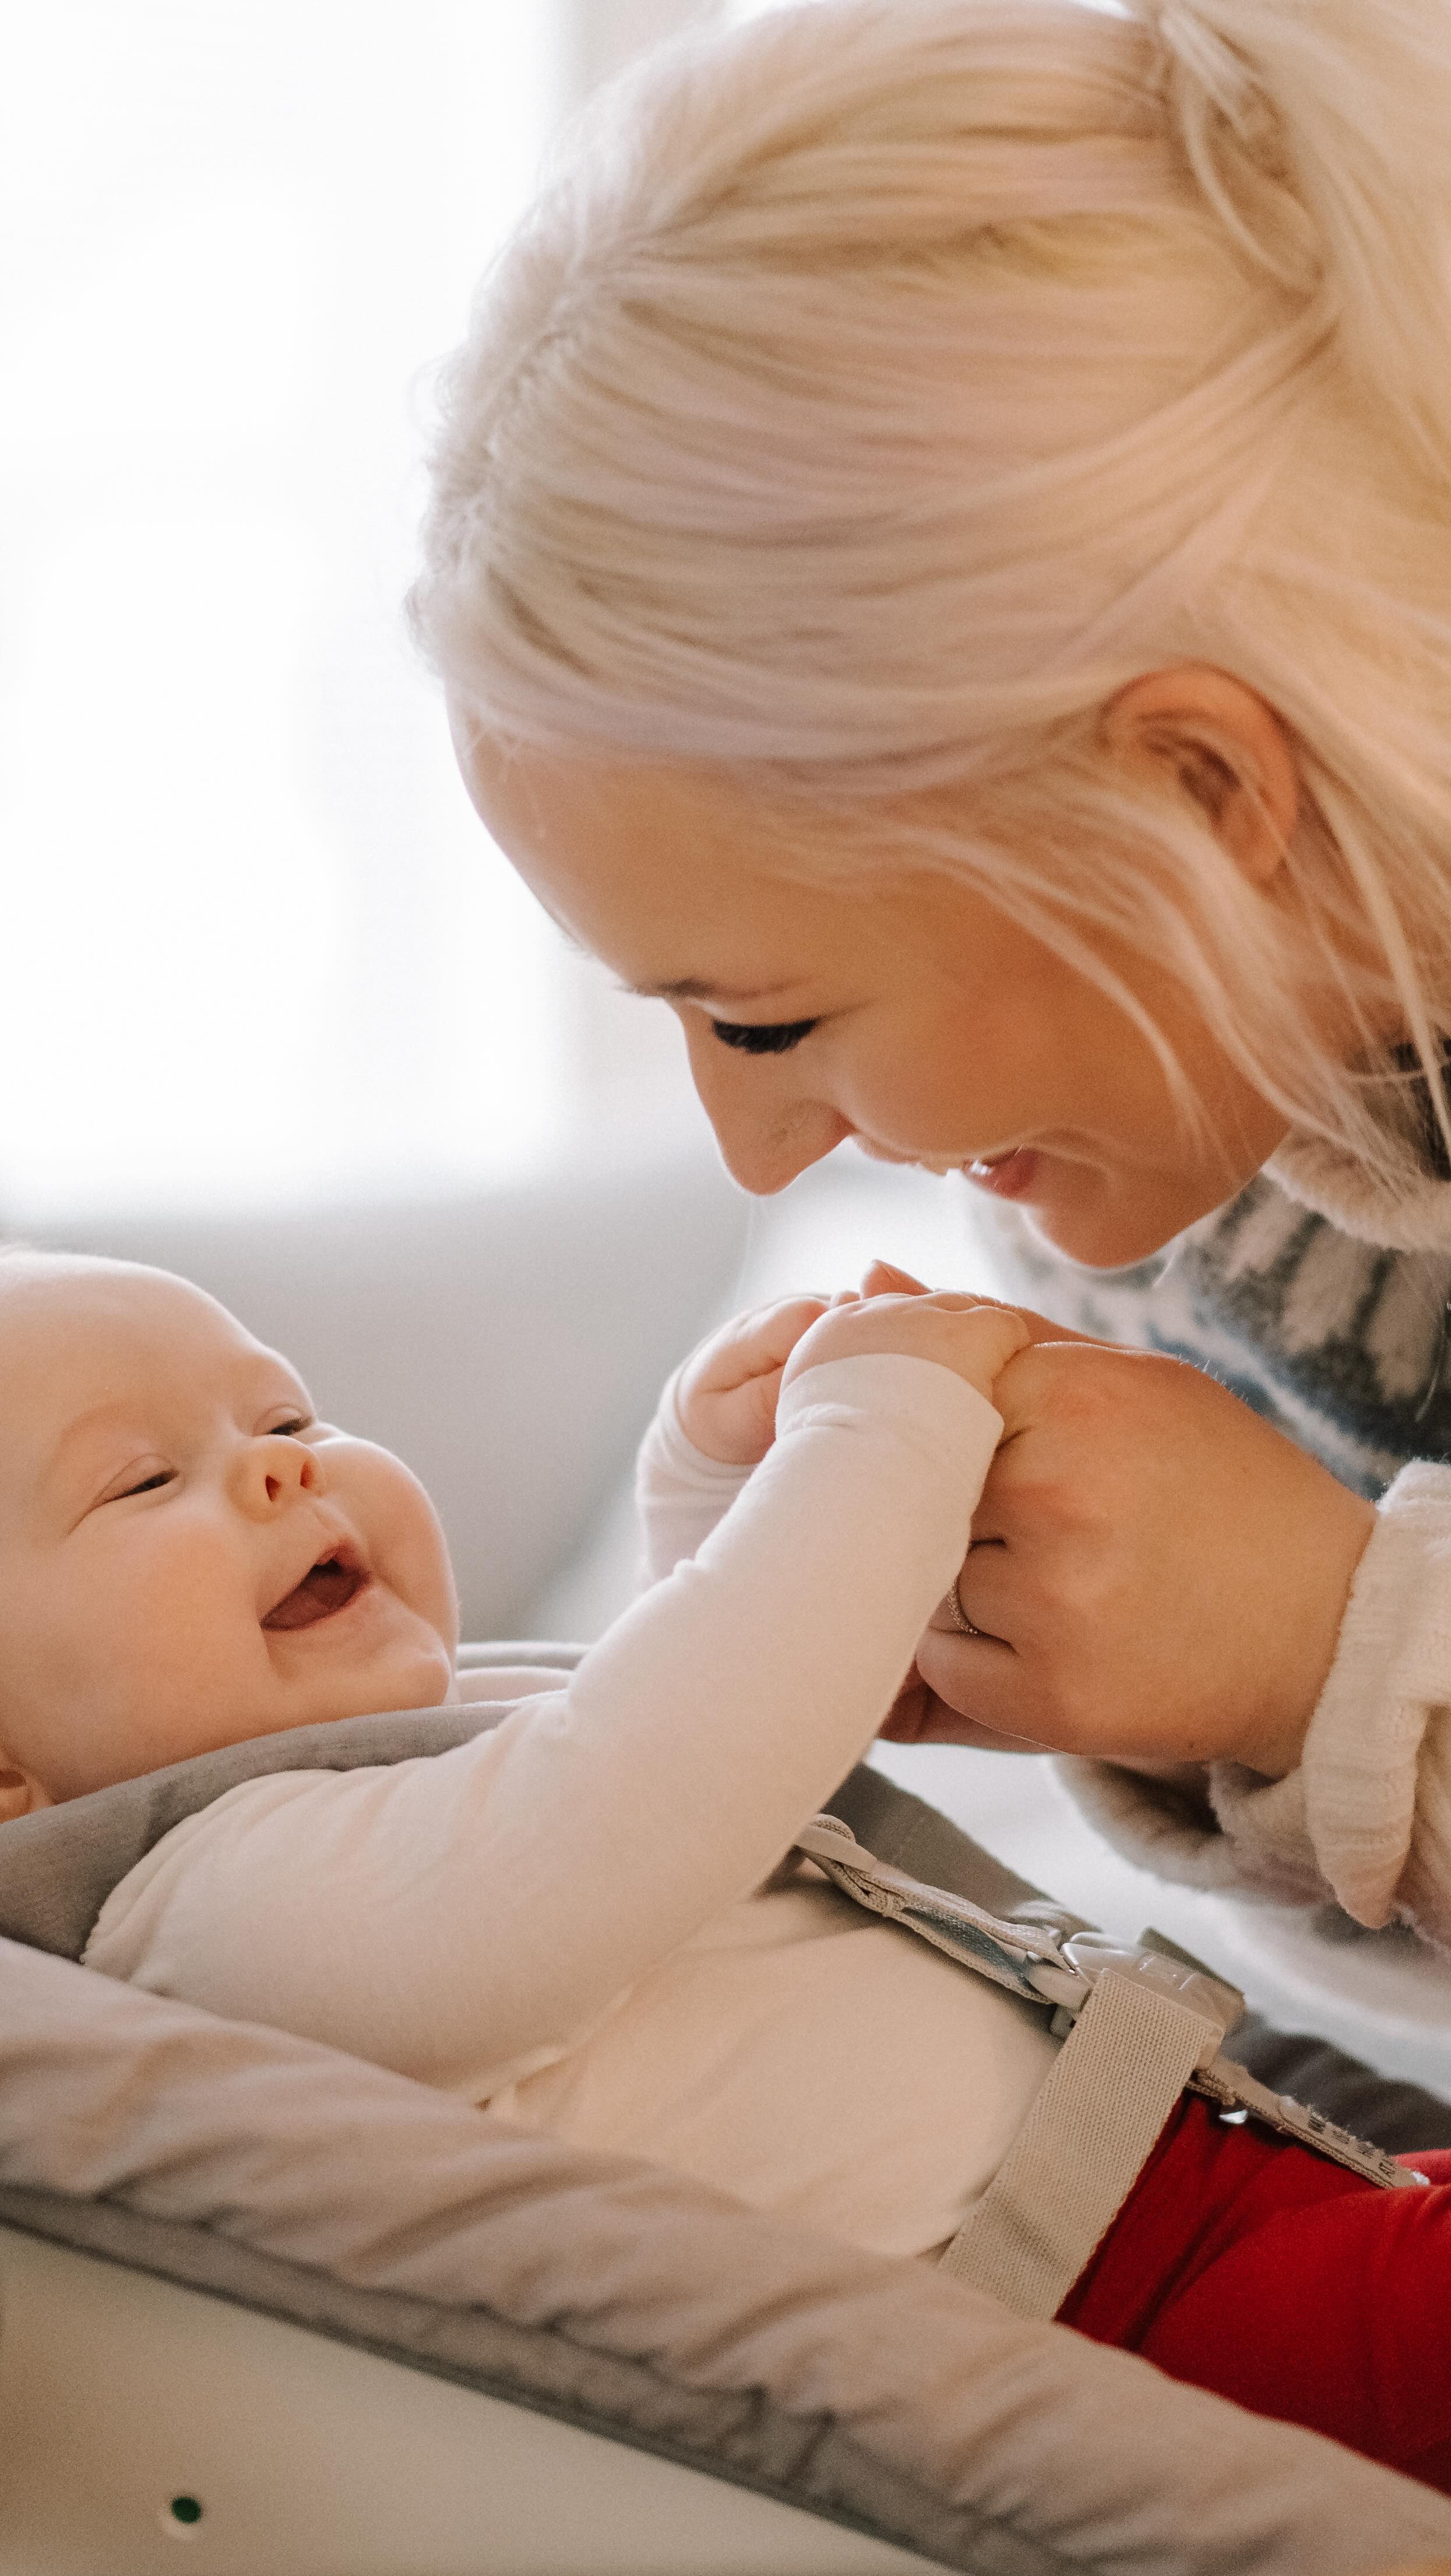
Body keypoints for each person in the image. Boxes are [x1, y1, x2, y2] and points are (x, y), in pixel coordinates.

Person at [407, 0, 1451, 1954]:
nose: (758, 1156)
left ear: (1200, 794)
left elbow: (1336, 1666)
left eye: (770, 1018)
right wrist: (987, 1621)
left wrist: (1329, 1643)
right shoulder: (1146, 1103)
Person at [5, 1244, 1451, 2489]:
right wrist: (877, 1439)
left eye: (286, 1413)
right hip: (1101, 2344)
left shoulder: (374, 1787)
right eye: (142, 1481)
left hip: (1183, 2189)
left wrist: (714, 1516)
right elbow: (647, 1790)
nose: (285, 1465)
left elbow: (665, 1779)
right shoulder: (212, 1923)